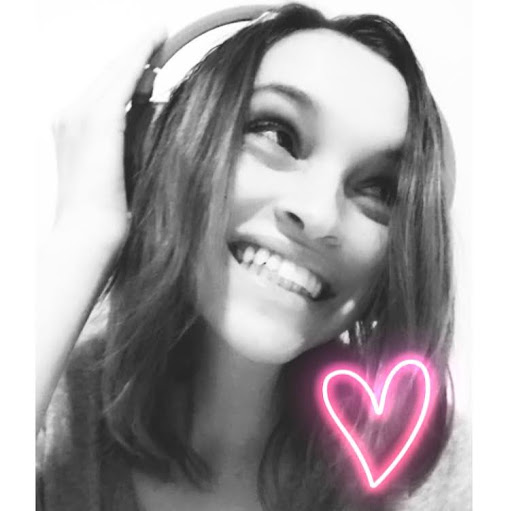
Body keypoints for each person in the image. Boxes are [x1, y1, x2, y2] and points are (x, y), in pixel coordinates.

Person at [36, 3, 470, 510]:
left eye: (378, 189)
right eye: (277, 135)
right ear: (160, 148)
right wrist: (82, 234)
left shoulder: (431, 470)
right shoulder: (51, 398)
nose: (320, 215)